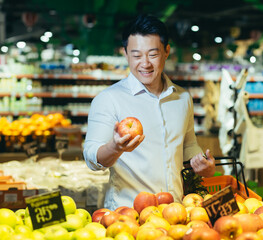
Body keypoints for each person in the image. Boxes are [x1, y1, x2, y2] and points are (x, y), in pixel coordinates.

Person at [83, 14, 215, 210]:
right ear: (126, 54)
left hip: (174, 211)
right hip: (128, 215)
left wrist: (204, 165)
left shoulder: (182, 98)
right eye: (136, 55)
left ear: (166, 51)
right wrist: (115, 148)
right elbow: (92, 157)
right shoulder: (109, 99)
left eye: (153, 54)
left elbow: (188, 145)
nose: (145, 63)